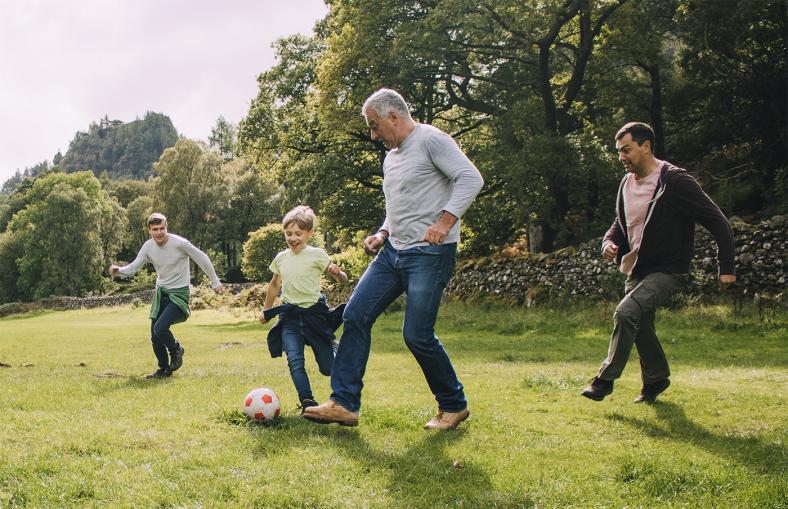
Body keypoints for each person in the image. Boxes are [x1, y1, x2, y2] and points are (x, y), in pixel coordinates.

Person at [303, 88, 484, 430]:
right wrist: (383, 233)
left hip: (429, 255)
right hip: (393, 252)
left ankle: (453, 404)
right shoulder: (391, 158)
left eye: (374, 126)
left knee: (416, 334)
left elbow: (470, 178)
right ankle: (344, 403)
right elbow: (398, 204)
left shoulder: (432, 140)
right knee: (355, 314)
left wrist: (445, 222)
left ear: (394, 117)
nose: (373, 134)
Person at [581, 122, 736, 403]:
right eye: (618, 152)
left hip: (668, 269)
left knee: (626, 313)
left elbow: (718, 221)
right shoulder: (626, 183)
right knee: (640, 325)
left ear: (646, 146)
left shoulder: (675, 181)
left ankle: (604, 381)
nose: (621, 157)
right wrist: (608, 242)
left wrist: (726, 266)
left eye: (626, 150)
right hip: (636, 267)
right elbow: (620, 222)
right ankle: (656, 379)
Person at [110, 212, 224, 379]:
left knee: (160, 328)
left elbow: (203, 258)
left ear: (166, 227)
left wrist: (215, 282)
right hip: (161, 293)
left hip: (179, 294)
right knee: (155, 337)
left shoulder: (180, 243)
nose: (159, 233)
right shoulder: (148, 247)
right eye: (155, 229)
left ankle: (177, 349)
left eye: (162, 228)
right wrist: (118, 270)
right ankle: (163, 370)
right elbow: (134, 267)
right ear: (149, 230)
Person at [259, 205, 348, 413]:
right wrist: (266, 310)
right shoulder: (281, 258)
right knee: (295, 360)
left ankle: (336, 352)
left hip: (314, 317)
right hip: (289, 317)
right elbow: (274, 285)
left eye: (298, 233)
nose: (293, 238)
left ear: (309, 233)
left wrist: (337, 273)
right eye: (288, 234)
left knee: (328, 368)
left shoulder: (317, 255)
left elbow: (342, 279)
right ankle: (308, 402)